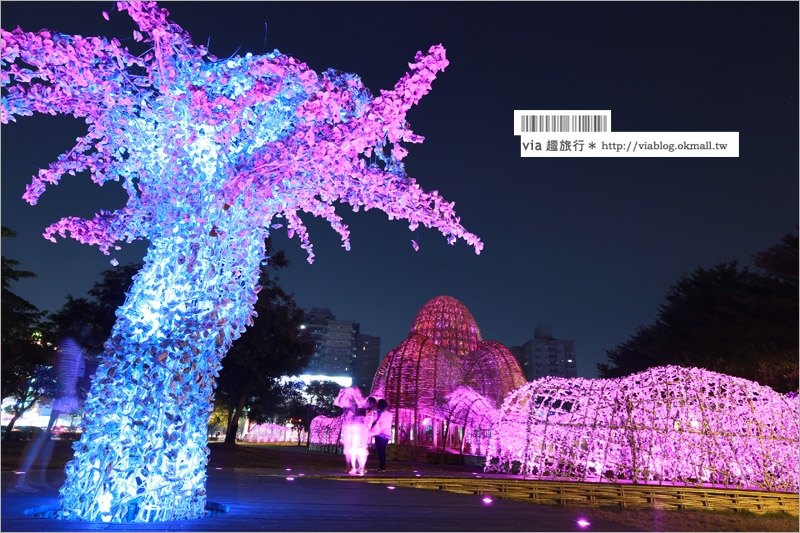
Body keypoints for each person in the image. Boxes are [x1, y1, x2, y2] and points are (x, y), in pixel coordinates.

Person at [12, 334, 86, 492]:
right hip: (58, 396)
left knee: (48, 438)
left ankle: (36, 478)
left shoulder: (71, 343)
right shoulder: (71, 343)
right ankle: (21, 480)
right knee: (41, 438)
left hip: (59, 396)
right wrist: (66, 393)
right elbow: (66, 369)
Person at [335, 387, 369, 475]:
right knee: (348, 448)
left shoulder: (361, 400)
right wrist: (340, 394)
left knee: (356, 447)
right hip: (348, 426)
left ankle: (359, 467)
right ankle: (350, 467)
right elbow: (338, 403)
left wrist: (355, 394)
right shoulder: (347, 402)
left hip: (357, 427)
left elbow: (361, 405)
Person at [369, 399, 392, 473]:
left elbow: (374, 422)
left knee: (380, 451)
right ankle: (382, 467)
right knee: (383, 451)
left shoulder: (378, 413)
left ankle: (381, 467)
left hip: (379, 434)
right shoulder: (390, 414)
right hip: (387, 434)